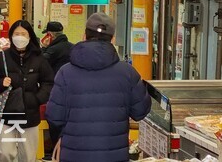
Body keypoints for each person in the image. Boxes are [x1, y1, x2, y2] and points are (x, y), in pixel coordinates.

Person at [46, 13, 151, 162]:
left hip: (74, 154)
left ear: (84, 36)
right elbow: (140, 112)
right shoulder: (127, 73)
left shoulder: (65, 72)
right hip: (114, 156)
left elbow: (54, 116)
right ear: (113, 40)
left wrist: (62, 137)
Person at [0, 20, 54, 162]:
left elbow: (49, 82)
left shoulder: (39, 59)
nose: (20, 37)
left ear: (30, 37)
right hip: (7, 113)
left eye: (23, 34)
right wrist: (0, 83)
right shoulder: (2, 57)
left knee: (28, 156)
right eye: (16, 34)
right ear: (11, 36)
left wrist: (37, 99)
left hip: (30, 114)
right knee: (5, 153)